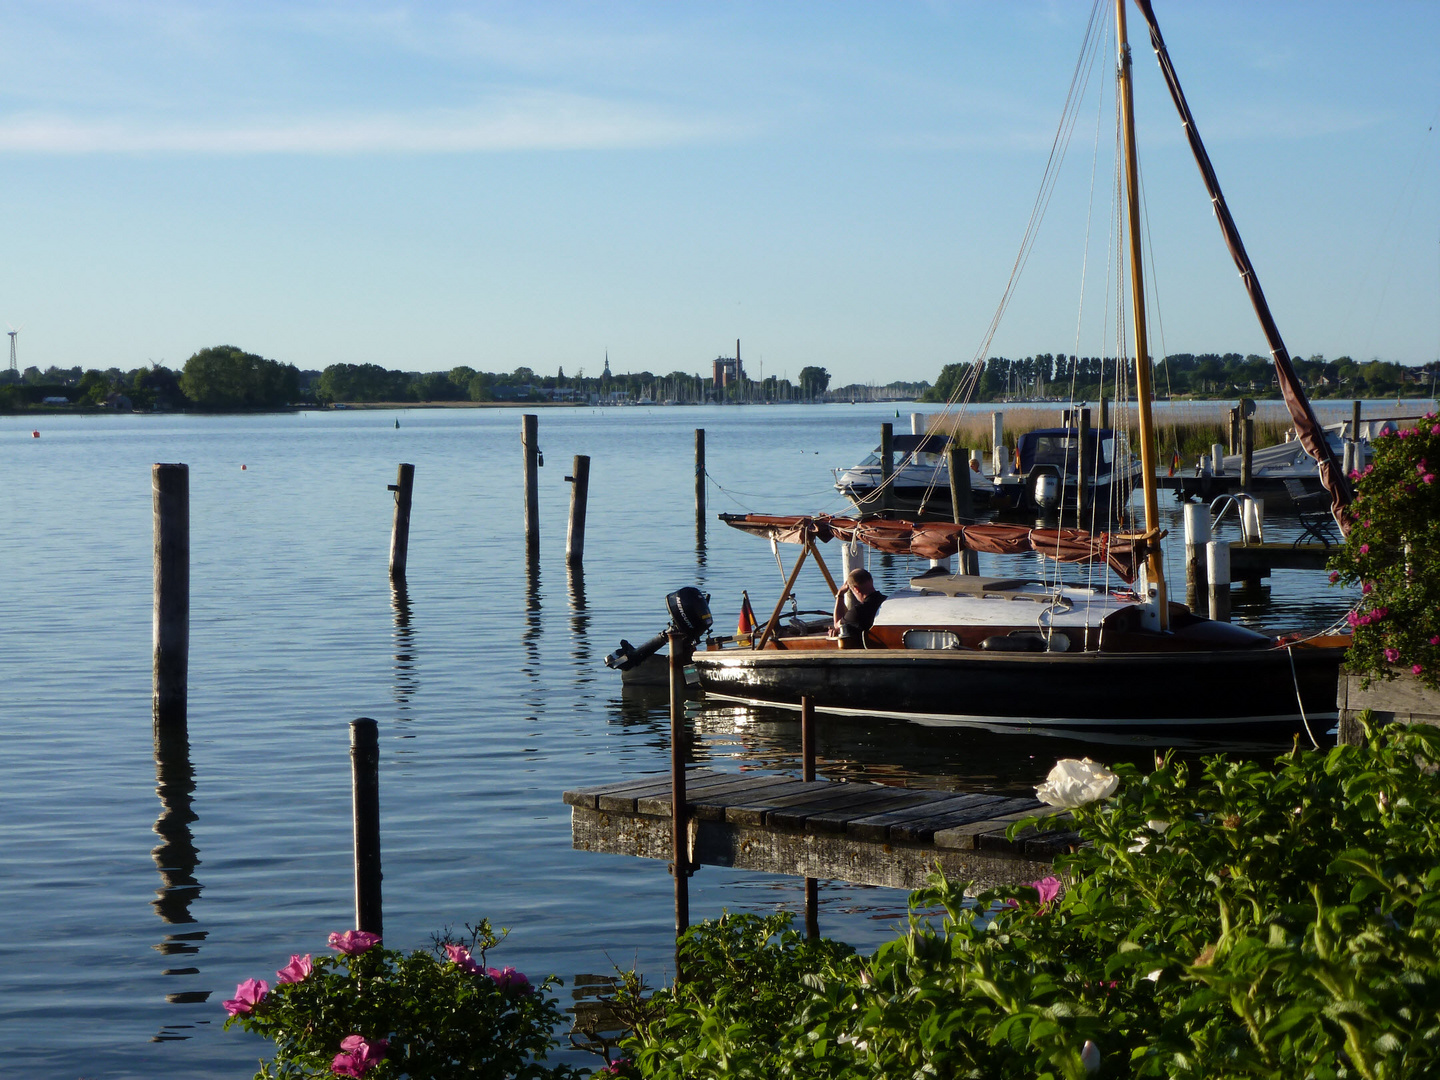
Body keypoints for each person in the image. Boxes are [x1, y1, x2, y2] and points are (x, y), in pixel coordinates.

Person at [830, 567, 885, 649]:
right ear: (871, 581)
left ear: (856, 589)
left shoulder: (857, 612)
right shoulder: (886, 601)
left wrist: (840, 595)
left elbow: (837, 625)